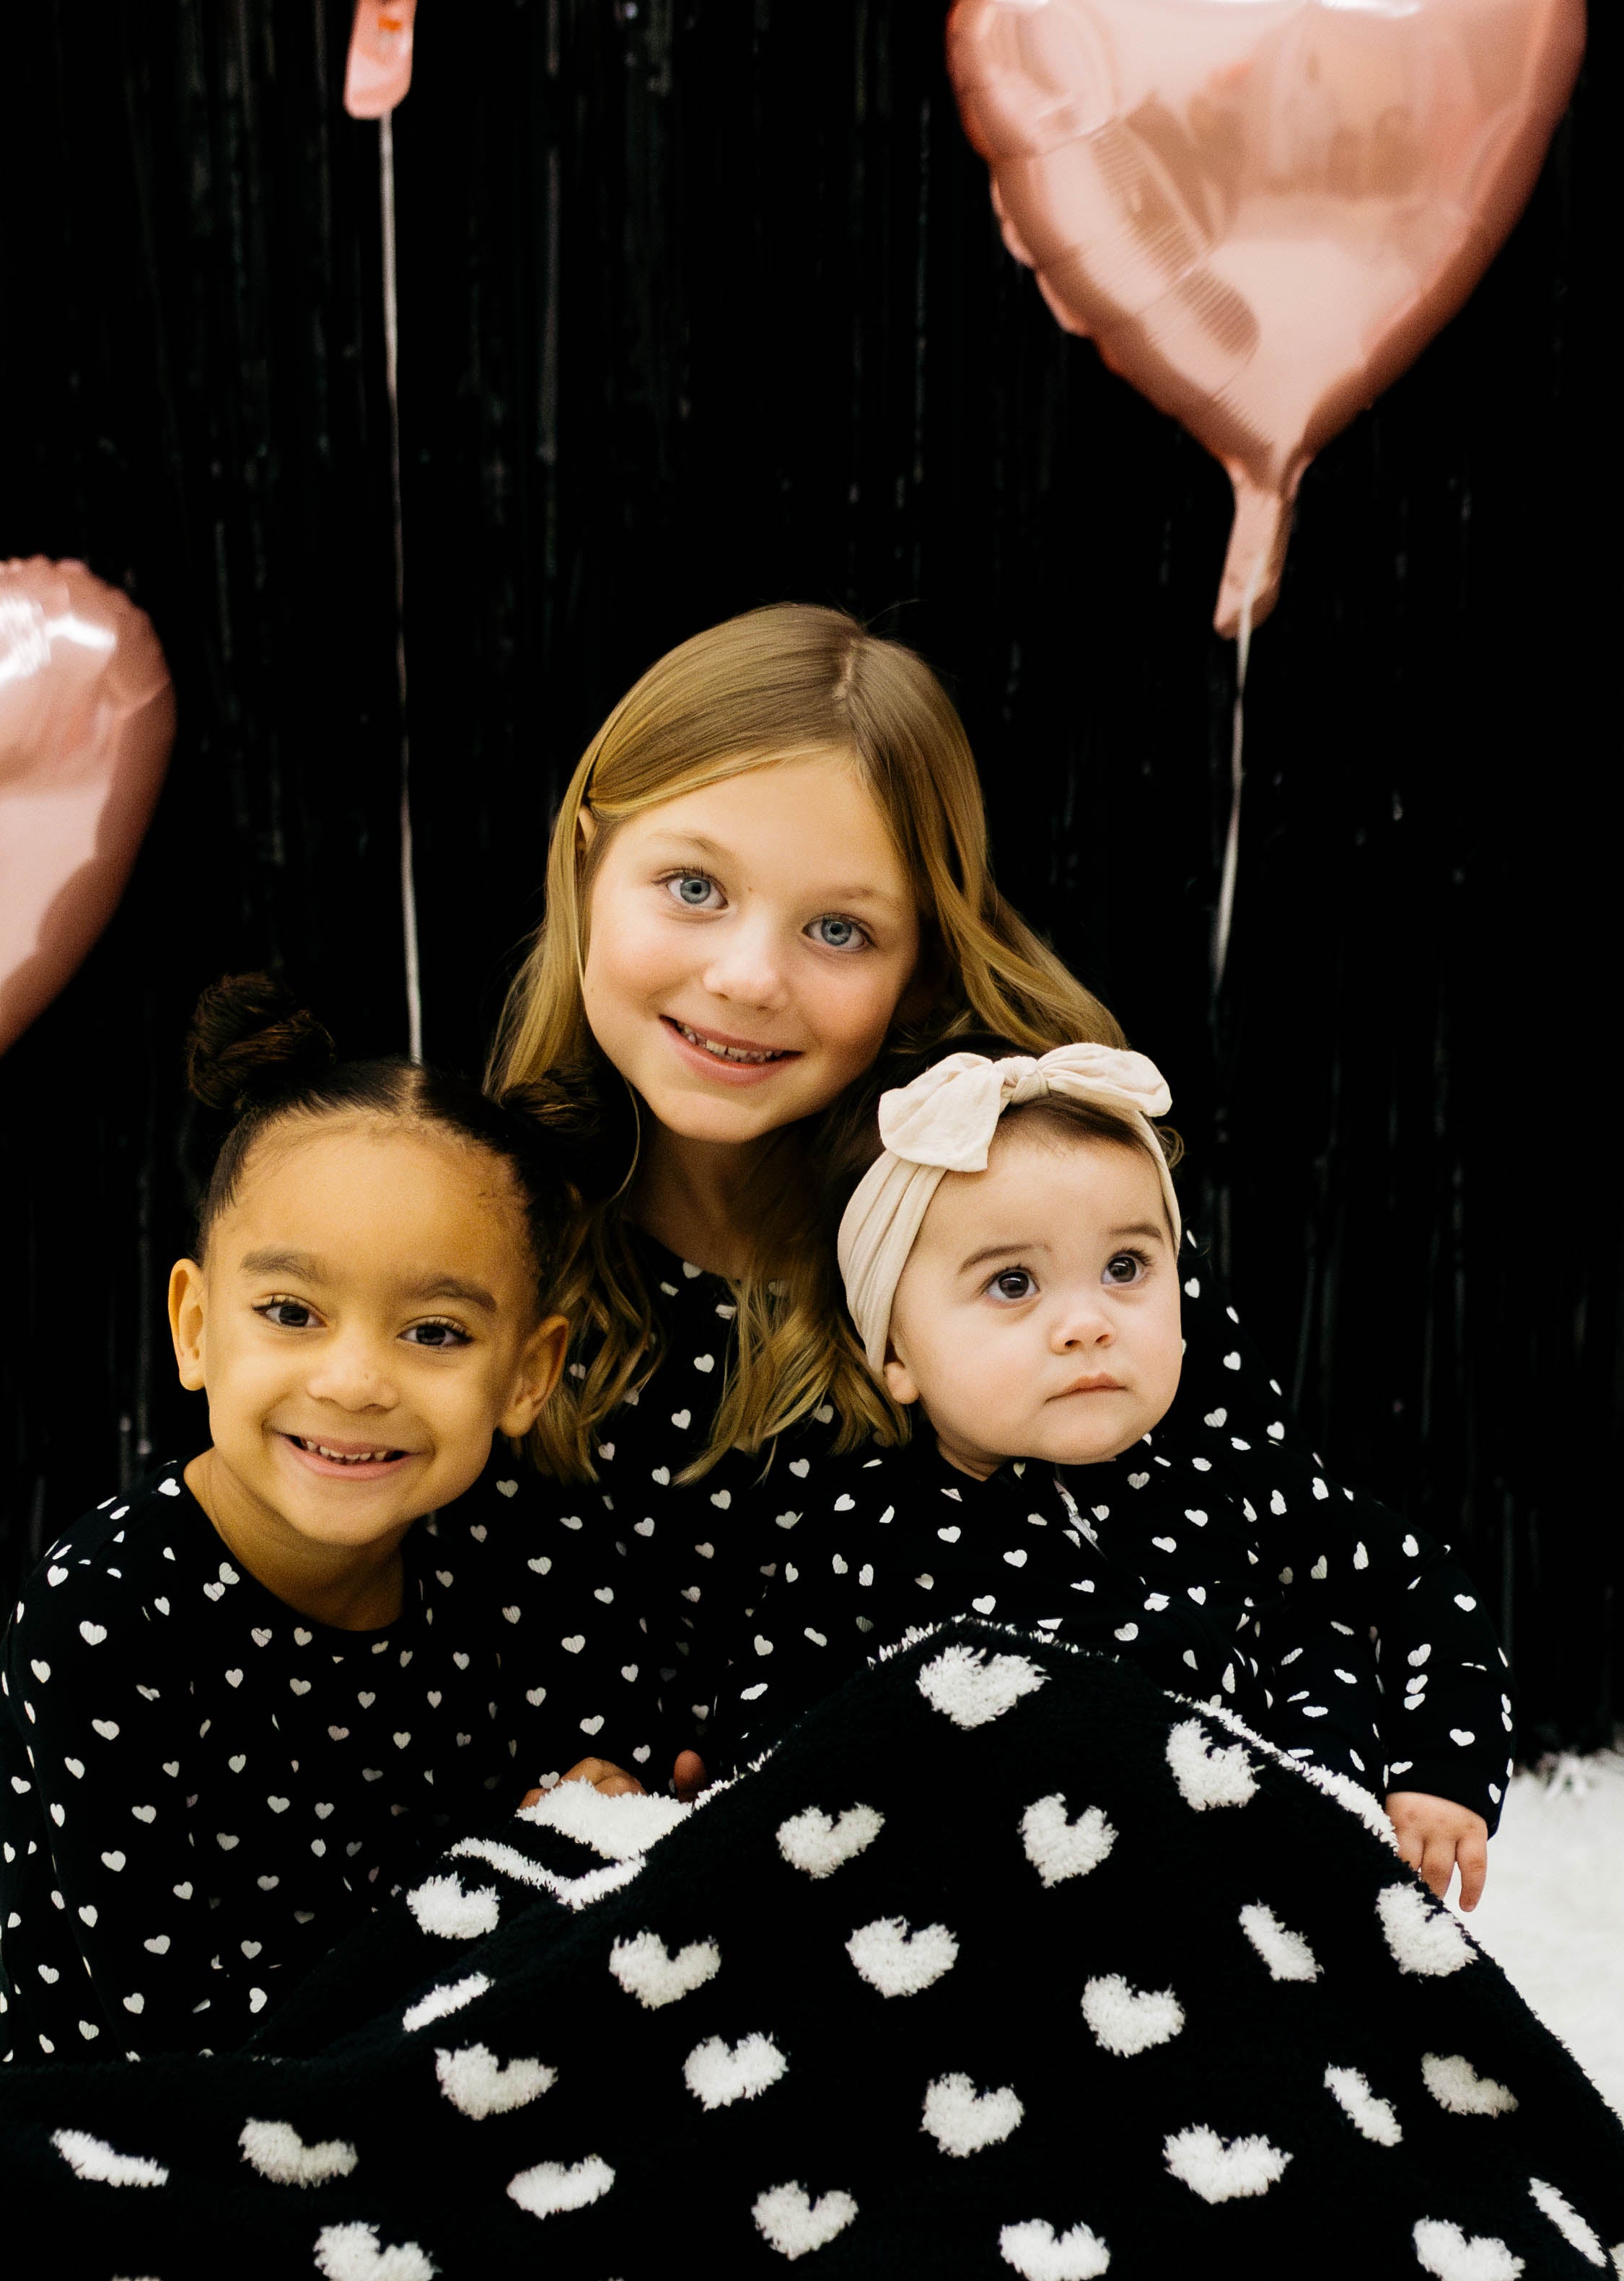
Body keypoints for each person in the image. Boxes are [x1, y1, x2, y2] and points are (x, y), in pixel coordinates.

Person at [484, 605, 1507, 1889]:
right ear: (587, 858)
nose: (747, 977)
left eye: (839, 929)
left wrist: (1369, 1769)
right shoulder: (491, 1229)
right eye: (694, 889)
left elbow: (1300, 1558)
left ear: (920, 961)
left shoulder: (1026, 1207)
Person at [0, 982, 661, 2065]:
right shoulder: (108, 1618)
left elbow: (613, 1813)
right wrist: (510, 1894)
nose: (352, 1382)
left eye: (434, 1332)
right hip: (148, 2106)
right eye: (291, 1314)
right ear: (197, 1328)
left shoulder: (520, 1557)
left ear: (528, 1376)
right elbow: (165, 2025)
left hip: (450, 2066)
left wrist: (600, 1809)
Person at [710, 1040, 1506, 1901]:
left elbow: (1420, 1586)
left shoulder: (1234, 1480)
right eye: (1012, 1283)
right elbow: (768, 1714)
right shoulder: (862, 1532)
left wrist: (1441, 1770)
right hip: (980, 1900)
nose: (1087, 1324)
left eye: (1125, 1268)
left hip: (1233, 1885)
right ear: (895, 1355)